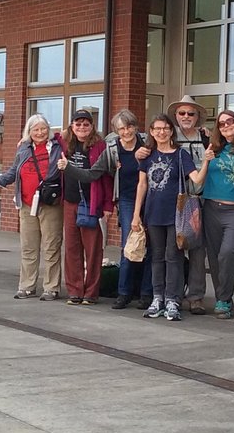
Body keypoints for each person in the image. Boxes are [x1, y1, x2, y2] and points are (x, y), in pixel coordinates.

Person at [60, 109, 153, 309]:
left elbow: (169, 138)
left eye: (129, 127)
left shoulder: (147, 144)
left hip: (152, 199)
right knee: (128, 245)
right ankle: (123, 293)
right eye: (121, 128)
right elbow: (95, 174)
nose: (126, 131)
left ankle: (147, 293)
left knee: (152, 247)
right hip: (126, 200)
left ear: (136, 127)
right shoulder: (111, 148)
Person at [131, 114, 209, 321]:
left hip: (176, 214)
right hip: (153, 213)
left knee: (173, 257)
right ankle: (158, 298)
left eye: (165, 128)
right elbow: (142, 185)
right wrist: (136, 215)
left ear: (171, 131)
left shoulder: (180, 155)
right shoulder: (147, 155)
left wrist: (207, 161)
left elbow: (197, 180)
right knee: (156, 256)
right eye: (157, 129)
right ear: (151, 131)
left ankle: (173, 299)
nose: (161, 132)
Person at [0, 114, 63, 301]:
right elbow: (15, 170)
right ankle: (27, 286)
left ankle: (51, 287)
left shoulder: (57, 146)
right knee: (29, 247)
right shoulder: (24, 148)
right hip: (27, 204)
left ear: (49, 129)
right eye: (35, 129)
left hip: (50, 203)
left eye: (43, 128)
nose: (40, 133)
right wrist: (1, 181)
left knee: (51, 246)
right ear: (29, 132)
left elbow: (68, 132)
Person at [202, 109, 234, 319]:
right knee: (214, 257)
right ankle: (223, 299)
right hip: (211, 207)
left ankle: (224, 296)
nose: (225, 126)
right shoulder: (214, 147)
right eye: (221, 124)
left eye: (229, 121)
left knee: (228, 253)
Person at [59, 110, 113, 305]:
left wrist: (107, 205)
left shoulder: (100, 146)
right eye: (78, 124)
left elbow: (106, 178)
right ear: (72, 126)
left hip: (93, 203)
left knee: (93, 250)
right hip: (70, 202)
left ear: (92, 126)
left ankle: (90, 293)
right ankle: (75, 290)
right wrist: (24, 141)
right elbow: (41, 134)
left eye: (86, 124)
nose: (82, 127)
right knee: (72, 248)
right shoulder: (65, 143)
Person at [167, 95, 211, 314]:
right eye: (182, 113)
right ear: (176, 116)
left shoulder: (207, 139)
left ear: (198, 117)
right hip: (174, 200)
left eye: (190, 113)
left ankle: (196, 296)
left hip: (199, 199)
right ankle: (172, 293)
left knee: (197, 249)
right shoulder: (169, 136)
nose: (186, 117)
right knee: (173, 248)